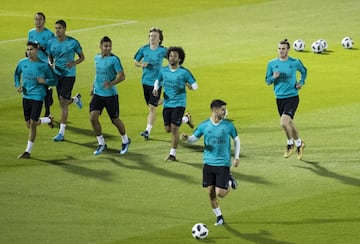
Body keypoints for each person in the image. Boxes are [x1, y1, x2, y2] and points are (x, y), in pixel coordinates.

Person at [182, 99, 240, 226]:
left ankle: (229, 180)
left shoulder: (228, 125)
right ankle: (219, 217)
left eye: (225, 109)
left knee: (221, 193)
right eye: (222, 109)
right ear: (215, 110)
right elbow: (194, 139)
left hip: (223, 163)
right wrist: (187, 138)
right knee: (210, 192)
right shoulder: (204, 125)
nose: (225, 112)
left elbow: (236, 140)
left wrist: (236, 157)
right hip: (208, 163)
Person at [134, 28, 194, 141]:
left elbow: (174, 59)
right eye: (151, 36)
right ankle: (185, 118)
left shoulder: (162, 51)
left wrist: (176, 74)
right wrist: (141, 64)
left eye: (155, 36)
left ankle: (147, 131)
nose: (152, 38)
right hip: (145, 81)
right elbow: (135, 61)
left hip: (157, 82)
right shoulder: (144, 49)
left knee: (152, 107)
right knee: (151, 104)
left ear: (160, 39)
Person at [152, 46, 198, 161]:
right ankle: (186, 119)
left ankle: (172, 154)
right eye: (170, 56)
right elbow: (158, 80)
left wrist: (190, 87)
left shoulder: (184, 72)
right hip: (167, 103)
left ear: (179, 59)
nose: (172, 58)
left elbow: (195, 85)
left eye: (175, 56)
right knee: (167, 129)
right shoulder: (163, 70)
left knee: (174, 128)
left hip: (179, 103)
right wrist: (156, 88)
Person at [265, 39, 307, 160]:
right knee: (289, 123)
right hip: (279, 98)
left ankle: (290, 143)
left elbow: (304, 71)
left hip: (292, 96)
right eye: (279, 48)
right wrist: (273, 77)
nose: (281, 51)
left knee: (284, 122)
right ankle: (300, 144)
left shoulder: (295, 62)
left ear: (288, 49)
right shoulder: (271, 63)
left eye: (283, 49)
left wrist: (301, 82)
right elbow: (267, 81)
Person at [14, 42, 57, 159]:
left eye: (31, 49)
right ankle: (48, 119)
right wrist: (18, 85)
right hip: (26, 96)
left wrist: (45, 82)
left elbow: (54, 80)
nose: (29, 51)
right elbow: (16, 74)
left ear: (37, 50)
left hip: (38, 96)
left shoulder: (43, 65)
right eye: (27, 49)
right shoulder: (22, 63)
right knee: (29, 124)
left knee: (32, 124)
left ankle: (27, 151)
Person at [90, 36, 131, 155]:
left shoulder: (114, 60)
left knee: (115, 120)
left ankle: (125, 140)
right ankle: (101, 143)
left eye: (109, 46)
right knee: (93, 118)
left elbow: (122, 76)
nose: (108, 48)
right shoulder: (96, 58)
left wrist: (111, 84)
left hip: (110, 95)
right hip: (98, 93)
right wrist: (93, 86)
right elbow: (98, 74)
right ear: (100, 46)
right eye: (105, 46)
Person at [47, 19, 85, 141]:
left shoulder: (73, 42)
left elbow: (82, 57)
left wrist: (73, 63)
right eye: (56, 28)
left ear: (64, 29)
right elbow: (50, 56)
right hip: (57, 74)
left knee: (63, 102)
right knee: (62, 102)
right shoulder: (51, 42)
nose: (57, 30)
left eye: (59, 28)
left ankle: (61, 133)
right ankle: (75, 99)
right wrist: (51, 64)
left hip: (69, 75)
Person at [27, 12, 55, 126]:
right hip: (33, 64)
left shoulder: (49, 34)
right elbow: (28, 47)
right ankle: (47, 96)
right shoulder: (31, 33)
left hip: (44, 64)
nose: (38, 21)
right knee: (36, 89)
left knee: (42, 87)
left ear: (44, 21)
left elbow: (52, 51)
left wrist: (42, 48)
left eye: (40, 19)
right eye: (36, 19)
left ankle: (47, 111)